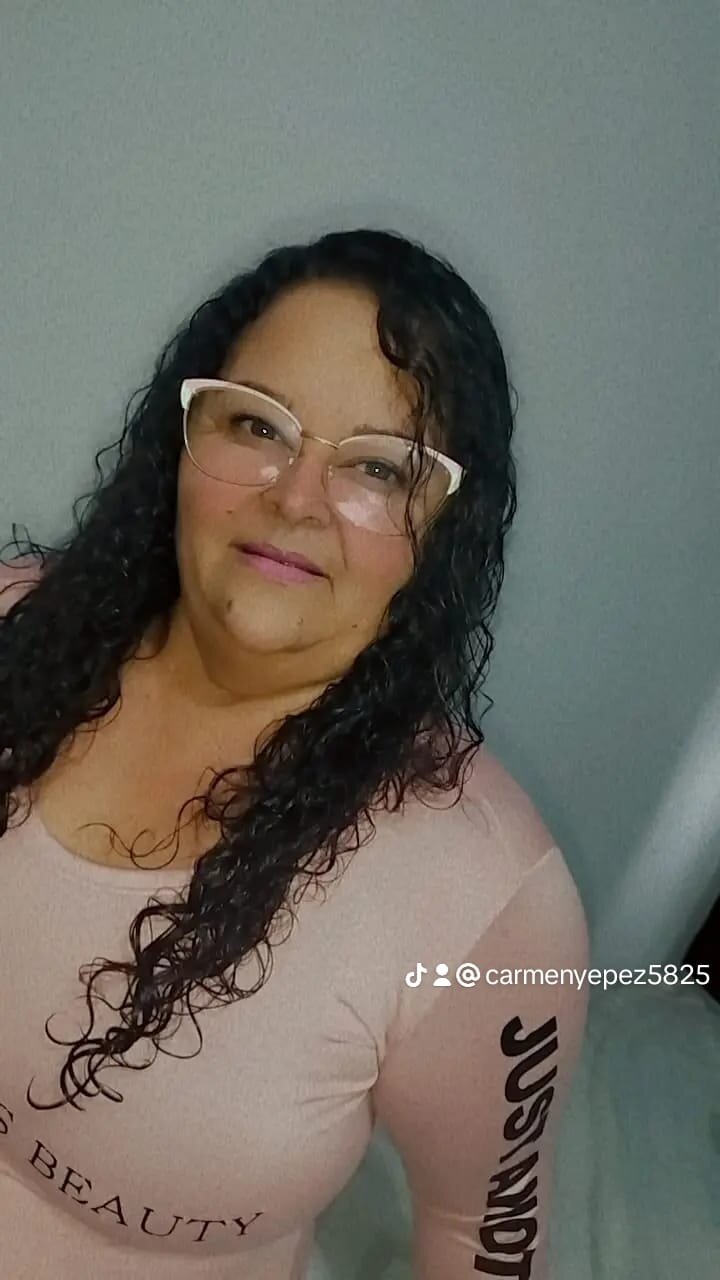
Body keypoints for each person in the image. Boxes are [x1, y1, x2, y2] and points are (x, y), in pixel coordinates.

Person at [0, 227, 590, 1279]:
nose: (296, 497)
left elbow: (482, 1237)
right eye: (257, 424)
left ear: (445, 535)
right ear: (185, 437)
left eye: (379, 467)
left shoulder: (492, 907)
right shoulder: (16, 631)